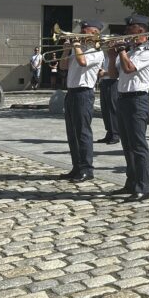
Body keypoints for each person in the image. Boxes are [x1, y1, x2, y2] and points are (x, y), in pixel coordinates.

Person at [108, 14, 149, 202]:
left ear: (141, 31)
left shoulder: (148, 52)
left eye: (130, 29)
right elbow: (113, 74)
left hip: (137, 100)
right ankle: (131, 183)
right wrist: (112, 56)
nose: (126, 32)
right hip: (123, 99)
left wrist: (121, 50)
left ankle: (143, 188)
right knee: (127, 145)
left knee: (138, 145)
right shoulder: (130, 51)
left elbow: (129, 69)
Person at [58, 20, 104, 182]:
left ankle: (86, 169)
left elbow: (82, 62)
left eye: (85, 32)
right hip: (71, 92)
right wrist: (66, 50)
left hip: (84, 93)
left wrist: (76, 45)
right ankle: (76, 167)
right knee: (72, 133)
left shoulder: (97, 52)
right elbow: (63, 66)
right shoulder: (77, 49)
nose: (81, 34)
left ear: (94, 34)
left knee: (83, 132)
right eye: (81, 31)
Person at [96, 52, 120, 146]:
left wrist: (104, 73)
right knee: (105, 109)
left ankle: (115, 134)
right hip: (104, 82)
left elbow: (117, 72)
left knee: (112, 109)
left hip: (113, 82)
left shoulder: (116, 55)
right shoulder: (104, 56)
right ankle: (109, 132)